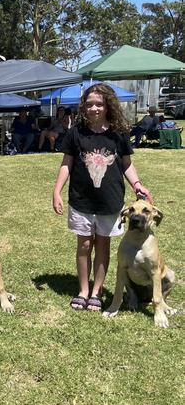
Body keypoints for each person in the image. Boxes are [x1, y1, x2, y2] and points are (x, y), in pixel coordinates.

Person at [52, 83, 153, 312]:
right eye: (89, 104)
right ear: (83, 107)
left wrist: (138, 185)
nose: (94, 108)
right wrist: (56, 190)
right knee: (84, 244)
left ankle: (97, 291)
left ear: (108, 105)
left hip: (110, 202)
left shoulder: (118, 134)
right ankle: (83, 290)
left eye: (99, 104)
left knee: (103, 244)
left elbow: (126, 164)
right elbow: (66, 164)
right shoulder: (76, 132)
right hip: (81, 200)